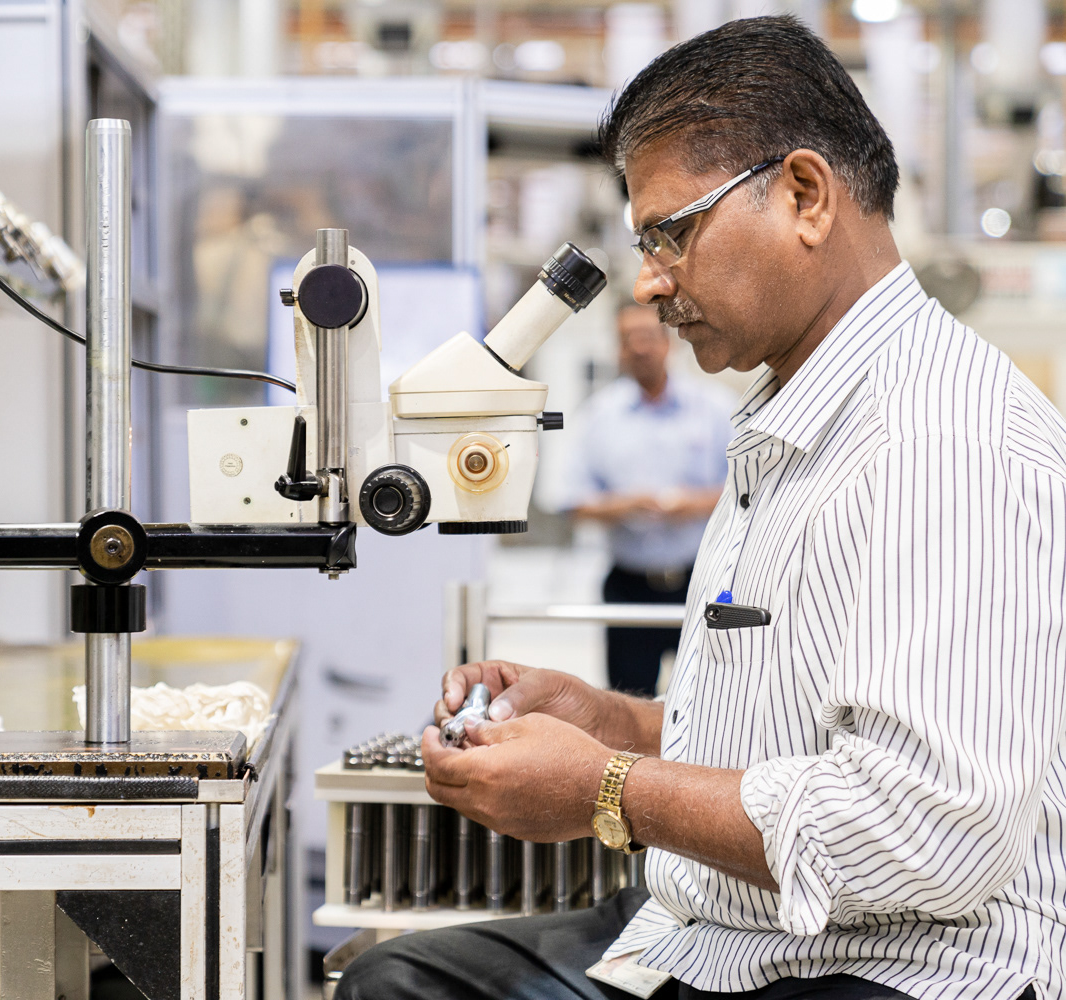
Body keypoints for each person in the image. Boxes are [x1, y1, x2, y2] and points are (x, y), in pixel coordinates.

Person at [337, 15, 1063, 1000]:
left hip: (889, 964)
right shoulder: (798, 416)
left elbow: (926, 834)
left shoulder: (938, 441)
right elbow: (798, 738)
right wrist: (612, 723)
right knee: (397, 980)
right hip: (721, 930)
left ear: (804, 195)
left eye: (671, 233)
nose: (649, 282)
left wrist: (605, 790)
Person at [562, 301, 734, 695]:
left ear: (668, 342)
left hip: (702, 581)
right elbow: (572, 502)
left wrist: (692, 505)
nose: (640, 347)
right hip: (628, 586)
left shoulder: (715, 408)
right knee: (628, 702)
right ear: (617, 347)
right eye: (628, 339)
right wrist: (626, 506)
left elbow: (748, 490)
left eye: (648, 337)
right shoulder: (598, 416)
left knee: (712, 700)